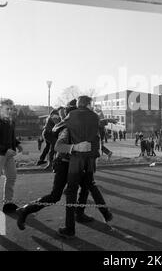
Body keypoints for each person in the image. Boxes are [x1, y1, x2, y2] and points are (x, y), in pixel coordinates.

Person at [16, 103, 95, 231]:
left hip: (75, 165)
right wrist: (75, 148)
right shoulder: (67, 129)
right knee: (55, 196)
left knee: (85, 187)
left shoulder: (80, 128)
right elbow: (58, 146)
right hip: (63, 164)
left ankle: (79, 214)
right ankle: (25, 210)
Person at [53, 96, 113, 238]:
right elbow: (99, 126)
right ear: (88, 104)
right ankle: (105, 213)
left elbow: (57, 128)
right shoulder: (94, 116)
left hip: (77, 158)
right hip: (91, 159)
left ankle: (70, 229)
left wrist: (61, 122)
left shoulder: (72, 115)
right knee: (90, 184)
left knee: (72, 191)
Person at [0, 98, 22, 214]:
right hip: (1, 154)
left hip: (9, 154)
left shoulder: (10, 121)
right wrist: (5, 150)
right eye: (7, 108)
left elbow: (11, 137)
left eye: (11, 108)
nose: (10, 110)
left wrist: (17, 145)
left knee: (12, 177)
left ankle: (7, 203)